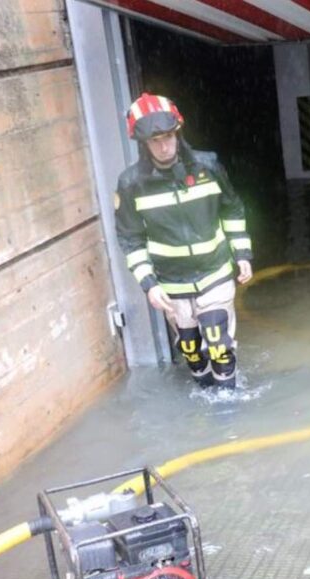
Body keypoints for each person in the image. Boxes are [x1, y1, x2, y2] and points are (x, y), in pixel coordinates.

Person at [114, 93, 253, 389]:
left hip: (214, 272)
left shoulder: (208, 166)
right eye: (155, 141)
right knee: (191, 350)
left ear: (177, 133)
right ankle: (205, 393)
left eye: (168, 136)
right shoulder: (131, 184)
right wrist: (149, 285)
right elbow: (130, 238)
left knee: (219, 345)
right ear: (143, 143)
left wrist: (242, 253)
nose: (164, 146)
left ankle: (228, 406)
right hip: (171, 283)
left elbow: (232, 208)